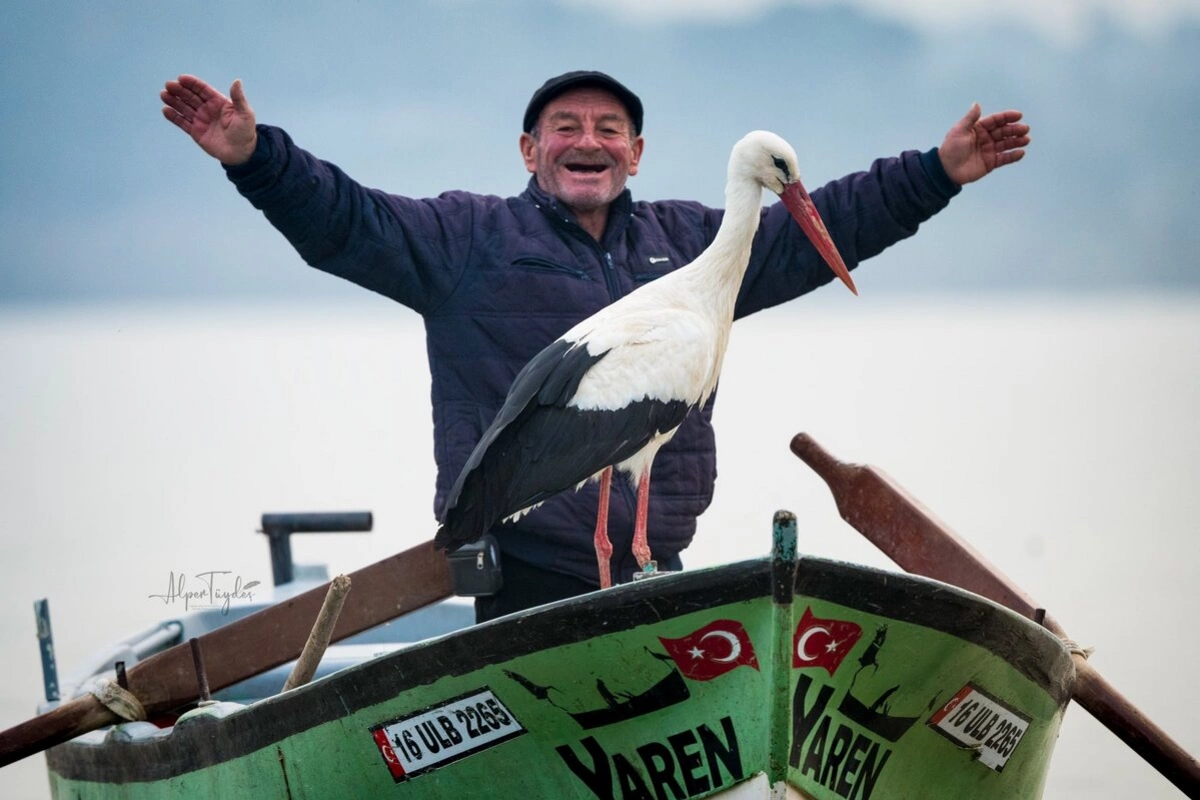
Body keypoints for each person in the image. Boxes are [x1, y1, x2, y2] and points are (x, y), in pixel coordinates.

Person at [161, 70, 1030, 623]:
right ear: (529, 149)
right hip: (522, 578)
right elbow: (346, 222)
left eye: (610, 127)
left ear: (639, 153)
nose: (589, 141)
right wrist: (256, 159)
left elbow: (817, 222)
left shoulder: (701, 245)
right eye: (566, 125)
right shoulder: (466, 239)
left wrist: (935, 172)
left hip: (660, 565)